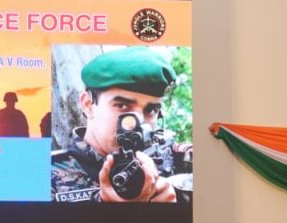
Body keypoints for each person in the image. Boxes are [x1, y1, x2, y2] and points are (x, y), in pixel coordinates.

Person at [51, 46, 193, 203]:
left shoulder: (175, 156)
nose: (137, 124)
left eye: (151, 110)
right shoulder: (44, 177)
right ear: (88, 105)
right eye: (122, 106)